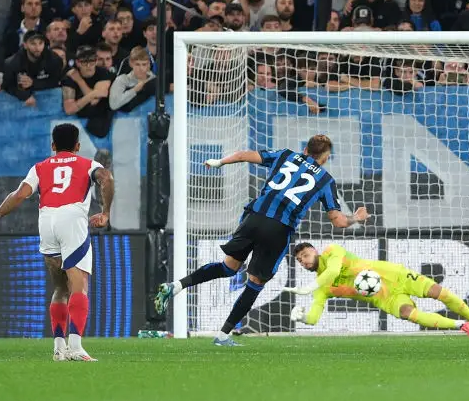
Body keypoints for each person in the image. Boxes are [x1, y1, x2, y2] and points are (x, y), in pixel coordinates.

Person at [152, 135, 370, 346]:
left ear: (305, 150)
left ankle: (176, 286)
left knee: (229, 267)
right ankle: (222, 335)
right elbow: (338, 221)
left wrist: (219, 161)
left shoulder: (285, 155)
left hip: (254, 217)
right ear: (324, 158)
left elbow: (244, 155)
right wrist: (356, 218)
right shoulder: (325, 180)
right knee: (255, 283)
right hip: (278, 228)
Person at [0, 123, 114, 363]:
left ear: (53, 146)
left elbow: (19, 195)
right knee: (78, 285)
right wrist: (106, 213)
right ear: (78, 146)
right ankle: (76, 347)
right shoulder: (89, 164)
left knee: (60, 287)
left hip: (46, 221)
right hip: (72, 218)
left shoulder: (39, 168)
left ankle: (59, 348)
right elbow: (107, 179)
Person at [285, 242, 469, 337]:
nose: (303, 261)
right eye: (299, 260)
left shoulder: (333, 251)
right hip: (385, 298)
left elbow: (331, 271)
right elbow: (314, 318)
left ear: (315, 251)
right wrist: (302, 318)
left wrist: (309, 286)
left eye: (305, 255)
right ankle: (462, 325)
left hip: (395, 275)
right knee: (410, 315)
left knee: (440, 293)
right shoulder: (322, 290)